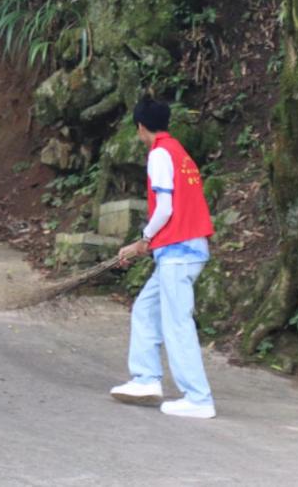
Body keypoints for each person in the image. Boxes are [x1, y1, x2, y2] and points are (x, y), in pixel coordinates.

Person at [110, 98, 217, 419]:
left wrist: (143, 239)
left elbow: (166, 208)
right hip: (185, 248)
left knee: (177, 323)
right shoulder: (179, 153)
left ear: (141, 126)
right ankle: (145, 379)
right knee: (145, 309)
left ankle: (198, 398)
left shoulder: (158, 154)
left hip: (178, 251)